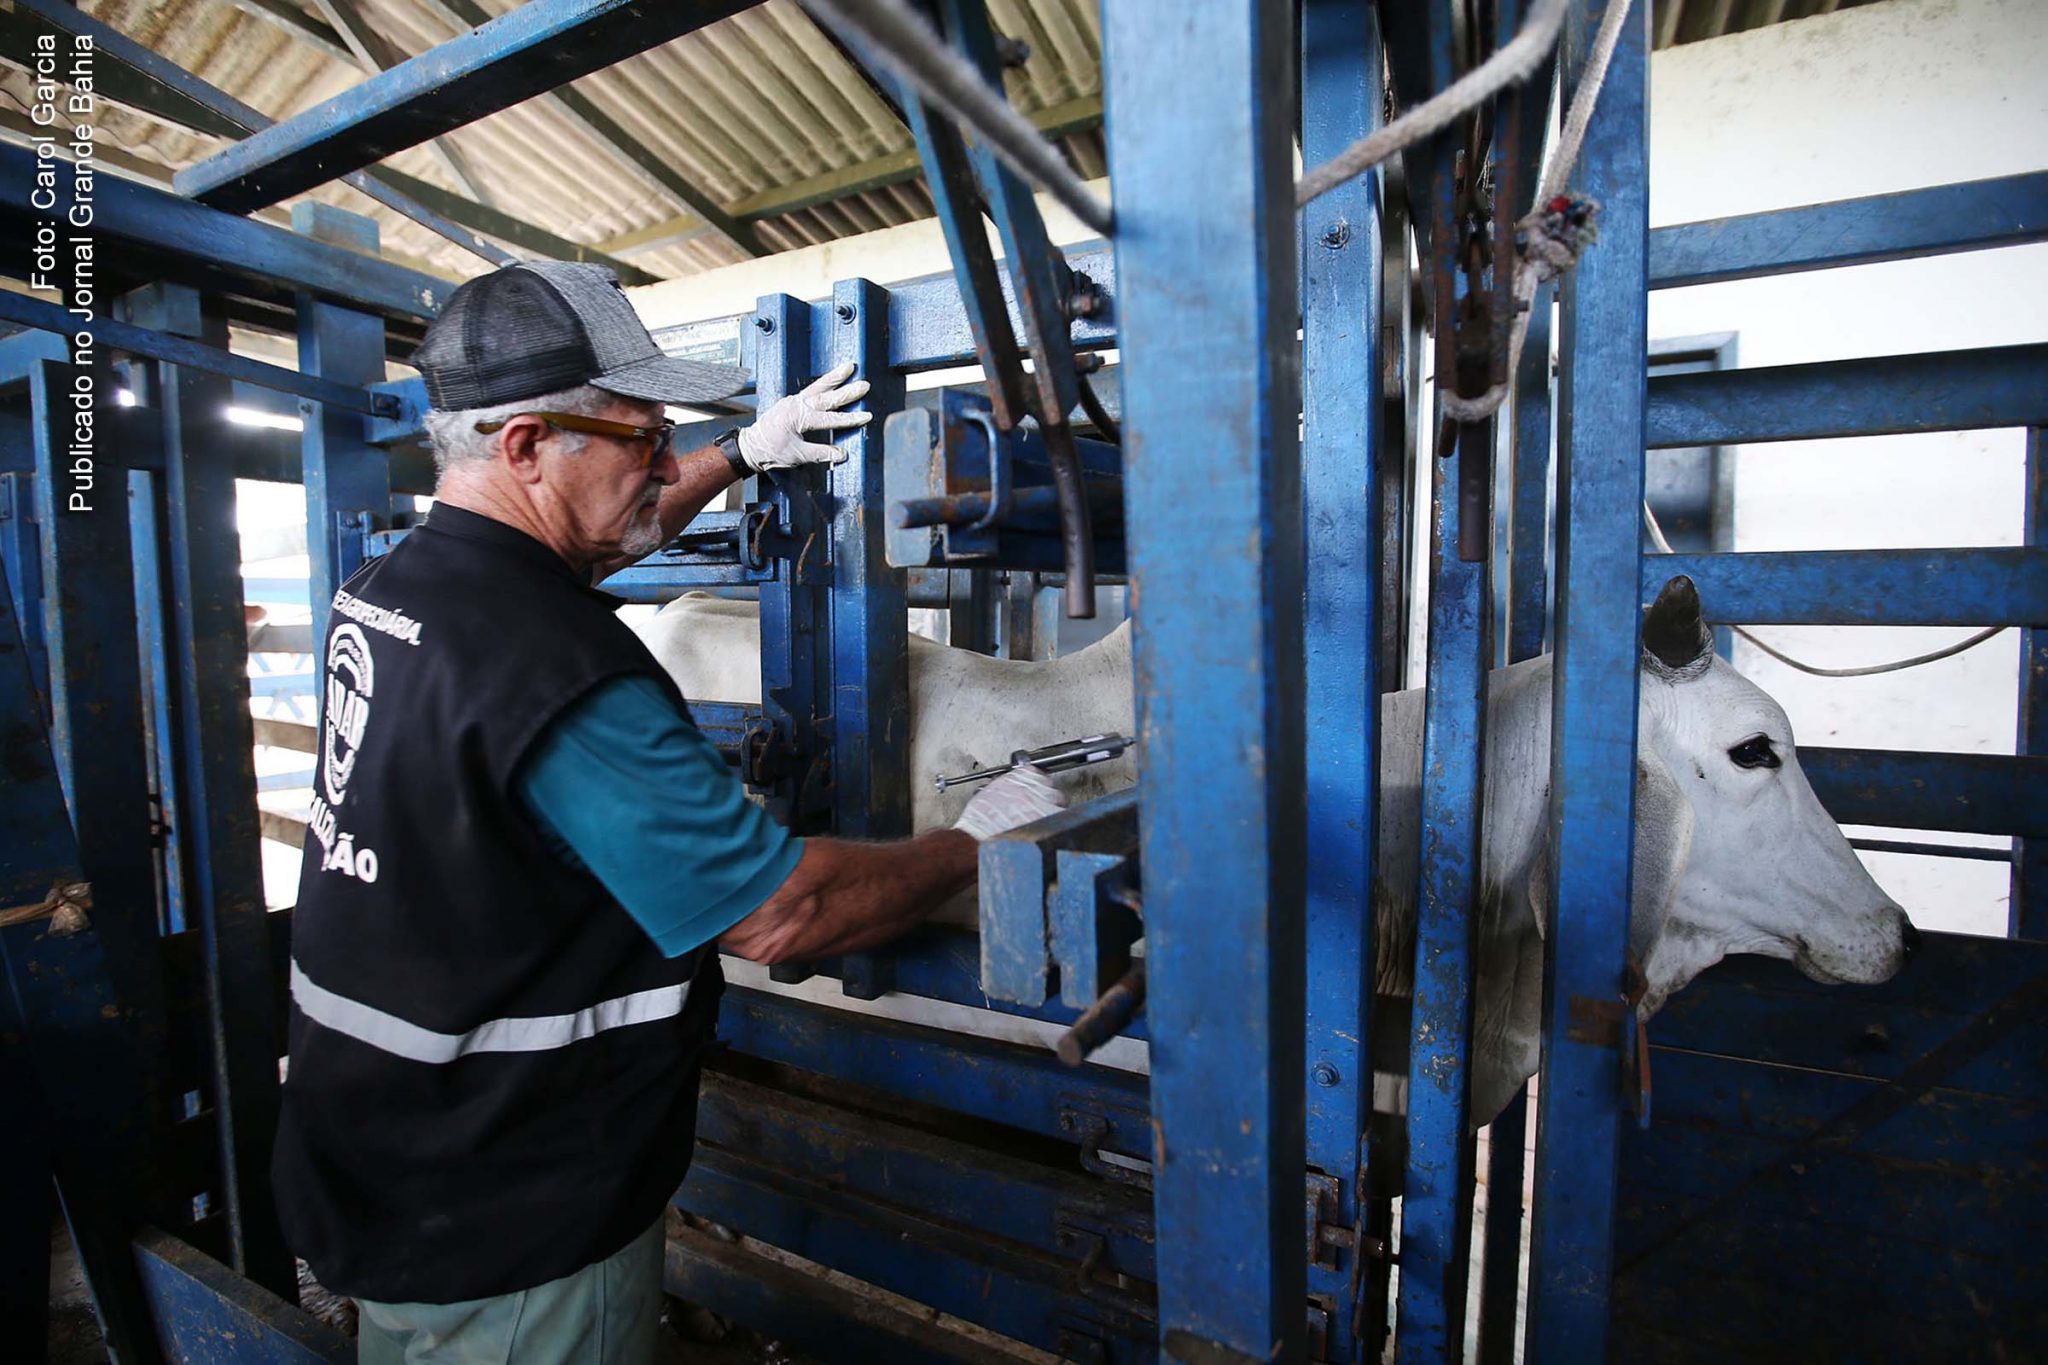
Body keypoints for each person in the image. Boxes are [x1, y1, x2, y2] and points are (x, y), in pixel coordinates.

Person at [273, 261, 1067, 1363]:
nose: (659, 465)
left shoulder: (395, 589)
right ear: (525, 445)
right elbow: (782, 915)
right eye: (643, 439)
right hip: (517, 1209)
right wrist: (972, 843)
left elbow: (600, 531)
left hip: (377, 1149)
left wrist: (742, 453)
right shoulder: (558, 671)